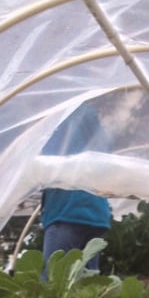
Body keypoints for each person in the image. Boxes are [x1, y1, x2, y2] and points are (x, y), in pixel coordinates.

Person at [39, 102, 112, 272]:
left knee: (54, 278)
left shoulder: (61, 117)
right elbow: (107, 147)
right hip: (96, 213)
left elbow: (43, 162)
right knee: (88, 279)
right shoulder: (89, 120)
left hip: (68, 211)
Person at [41, 188, 111, 271]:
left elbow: (38, 178)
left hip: (67, 212)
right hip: (97, 212)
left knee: (54, 273)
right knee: (88, 276)